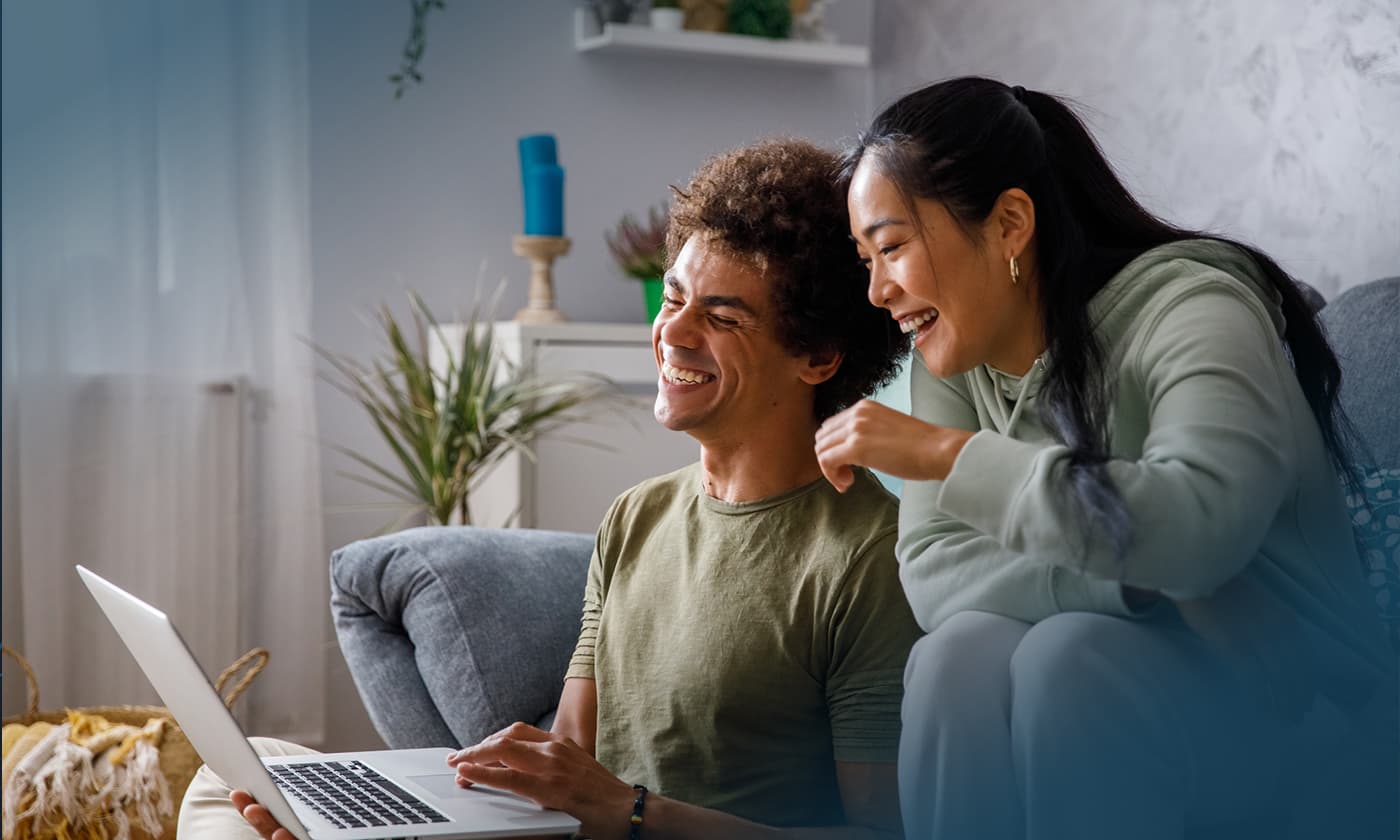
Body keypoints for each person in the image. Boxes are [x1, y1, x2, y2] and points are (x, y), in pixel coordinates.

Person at [181, 138, 922, 839]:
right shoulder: (638, 517)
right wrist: (472, 793)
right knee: (242, 779)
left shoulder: (866, 555)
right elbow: (572, 753)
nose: (674, 333)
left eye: (722, 317)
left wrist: (634, 815)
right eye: (673, 299)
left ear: (819, 356)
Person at [814, 76, 1394, 840]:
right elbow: (934, 570)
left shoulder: (1196, 306)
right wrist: (1137, 580)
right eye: (865, 260)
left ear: (1010, 223)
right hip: (1133, 679)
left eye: (891, 247)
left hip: (1296, 701)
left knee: (1067, 657)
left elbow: (1201, 527)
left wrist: (949, 456)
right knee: (957, 653)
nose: (878, 290)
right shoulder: (952, 358)